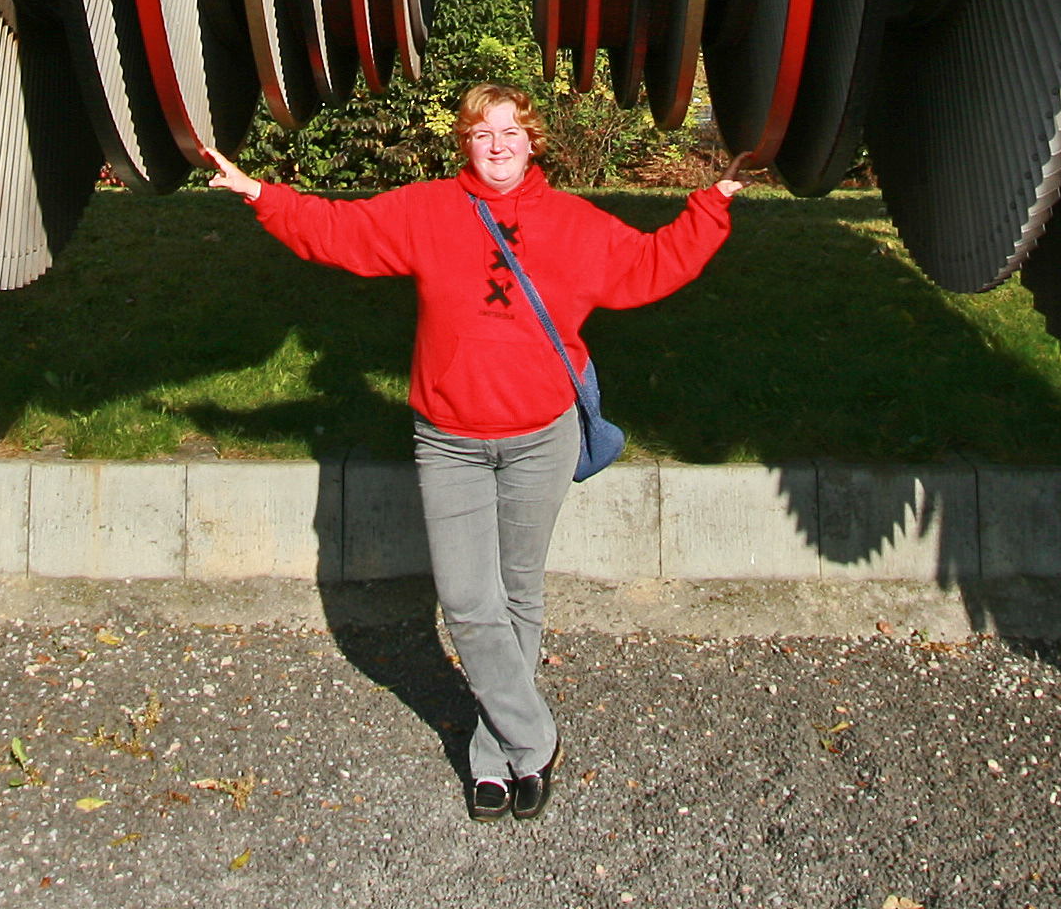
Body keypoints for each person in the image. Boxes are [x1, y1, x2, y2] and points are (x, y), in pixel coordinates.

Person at [202, 84, 747, 823]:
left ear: (533, 142)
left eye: (511, 133)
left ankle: (498, 757)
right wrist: (258, 192)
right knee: (466, 599)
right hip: (450, 441)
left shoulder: (571, 223)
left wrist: (709, 205)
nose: (497, 146)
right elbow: (337, 231)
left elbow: (651, 265)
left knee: (518, 594)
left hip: (538, 440)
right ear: (466, 142)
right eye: (482, 133)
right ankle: (536, 737)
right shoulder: (428, 210)